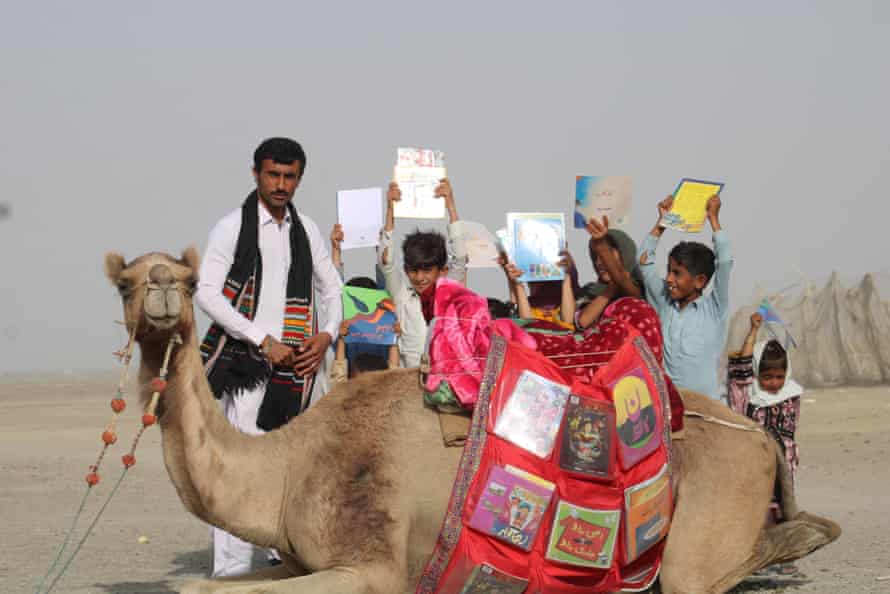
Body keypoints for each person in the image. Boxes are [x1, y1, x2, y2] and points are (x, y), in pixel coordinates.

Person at [195, 137, 342, 577]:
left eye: (290, 176)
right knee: (241, 473)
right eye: (273, 175)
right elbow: (207, 292)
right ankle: (232, 576)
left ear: (299, 178)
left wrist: (326, 335)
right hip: (250, 369)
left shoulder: (307, 229)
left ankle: (292, 561)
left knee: (304, 471)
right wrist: (262, 340)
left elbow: (331, 287)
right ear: (256, 173)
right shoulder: (231, 228)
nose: (281, 184)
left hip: (302, 371)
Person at [728, 312, 805, 577]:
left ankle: (784, 555)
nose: (773, 383)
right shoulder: (748, 398)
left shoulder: (791, 395)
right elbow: (741, 372)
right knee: (756, 509)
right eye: (767, 377)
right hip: (754, 464)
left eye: (778, 376)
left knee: (784, 507)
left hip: (783, 465)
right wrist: (753, 332)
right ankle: (756, 557)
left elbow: (788, 434)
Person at [638, 194, 732, 400]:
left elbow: (724, 262)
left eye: (677, 273)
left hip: (707, 408)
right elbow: (644, 262)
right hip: (670, 406)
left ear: (700, 281)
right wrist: (662, 222)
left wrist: (714, 220)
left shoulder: (715, 309)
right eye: (669, 271)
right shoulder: (664, 303)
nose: (669, 279)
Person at [378, 179, 467, 367]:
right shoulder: (402, 295)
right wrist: (390, 208)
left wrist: (450, 204)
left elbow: (459, 259)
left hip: (444, 385)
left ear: (441, 270)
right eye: (413, 271)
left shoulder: (449, 293)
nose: (419, 278)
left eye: (427, 270)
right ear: (406, 270)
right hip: (409, 386)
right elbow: (387, 262)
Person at [575, 215, 643, 329]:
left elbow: (623, 282)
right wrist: (611, 289)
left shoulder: (639, 287)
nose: (599, 262)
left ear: (625, 254)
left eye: (608, 252)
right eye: (595, 256)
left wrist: (601, 244)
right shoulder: (589, 292)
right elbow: (583, 321)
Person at [499, 250, 576, 329]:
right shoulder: (528, 253)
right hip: (535, 311)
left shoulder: (562, 258)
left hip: (560, 309)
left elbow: (568, 321)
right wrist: (516, 281)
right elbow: (527, 323)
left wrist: (565, 275)